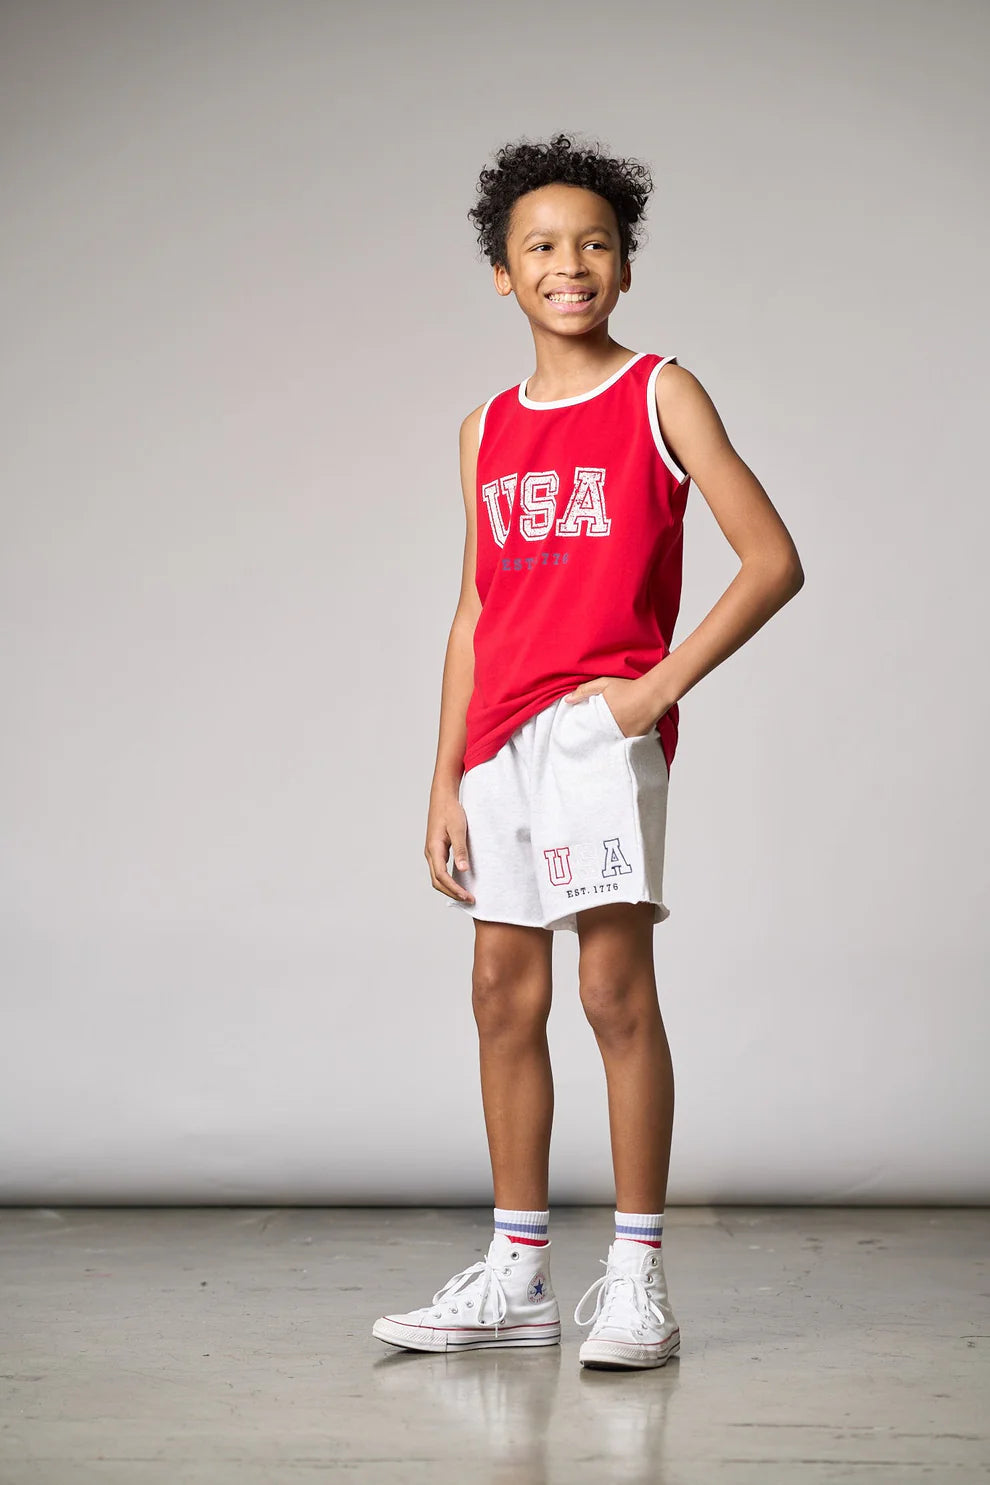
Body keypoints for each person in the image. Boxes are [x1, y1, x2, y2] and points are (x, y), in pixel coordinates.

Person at [372, 132, 804, 1370]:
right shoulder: (485, 428)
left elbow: (772, 560)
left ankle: (637, 1280)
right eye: (542, 247)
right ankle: (517, 1278)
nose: (571, 265)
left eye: (595, 244)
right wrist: (443, 776)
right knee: (501, 995)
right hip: (497, 741)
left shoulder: (660, 392)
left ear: (626, 264)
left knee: (614, 994)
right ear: (503, 272)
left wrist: (650, 694)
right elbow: (476, 610)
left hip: (595, 742)